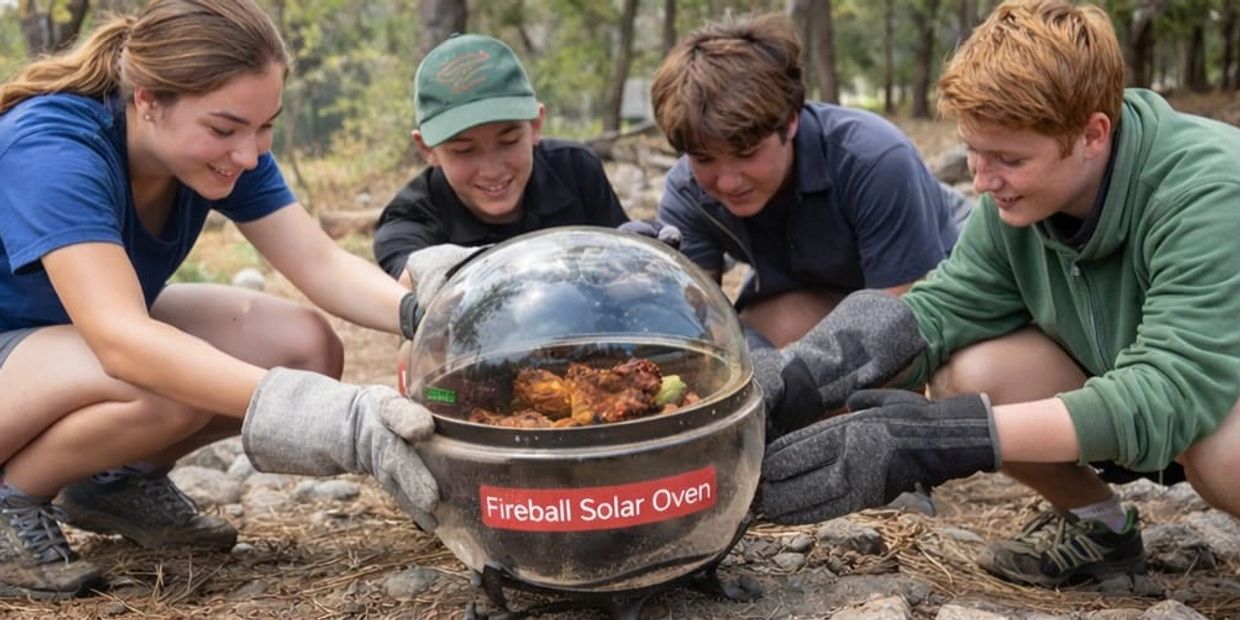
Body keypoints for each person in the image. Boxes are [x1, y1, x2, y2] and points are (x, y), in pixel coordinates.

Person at [754, 0, 1240, 589]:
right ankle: (1100, 527)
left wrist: (951, 437)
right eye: (975, 152)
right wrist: (801, 373)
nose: (982, 181)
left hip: (1210, 399)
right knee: (972, 370)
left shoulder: (1206, 190)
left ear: (1092, 133)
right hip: (1138, 383)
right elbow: (942, 309)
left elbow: (1172, 389)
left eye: (1010, 159)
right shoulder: (1017, 201)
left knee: (1224, 454)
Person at [0, 0, 437, 599]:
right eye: (226, 129)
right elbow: (122, 341)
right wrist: (337, 417)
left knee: (301, 346)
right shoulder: (52, 147)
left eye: (266, 126)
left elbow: (321, 263)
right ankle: (9, 502)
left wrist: (431, 312)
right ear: (149, 100)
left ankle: (115, 483)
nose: (250, 153)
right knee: (160, 378)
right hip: (32, 351)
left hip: (53, 347)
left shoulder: (226, 146)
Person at [650, 13, 969, 358]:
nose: (727, 181)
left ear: (790, 122)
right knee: (757, 337)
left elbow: (896, 327)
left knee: (946, 371)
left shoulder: (873, 159)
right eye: (705, 159)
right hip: (819, 287)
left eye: (747, 153)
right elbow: (699, 320)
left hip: (931, 279)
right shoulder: (687, 189)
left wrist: (802, 379)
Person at [372, 33, 631, 286]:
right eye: (464, 150)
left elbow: (624, 267)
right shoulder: (409, 217)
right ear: (427, 148)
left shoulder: (576, 170)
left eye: (508, 142)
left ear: (536, 125)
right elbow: (407, 282)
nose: (492, 170)